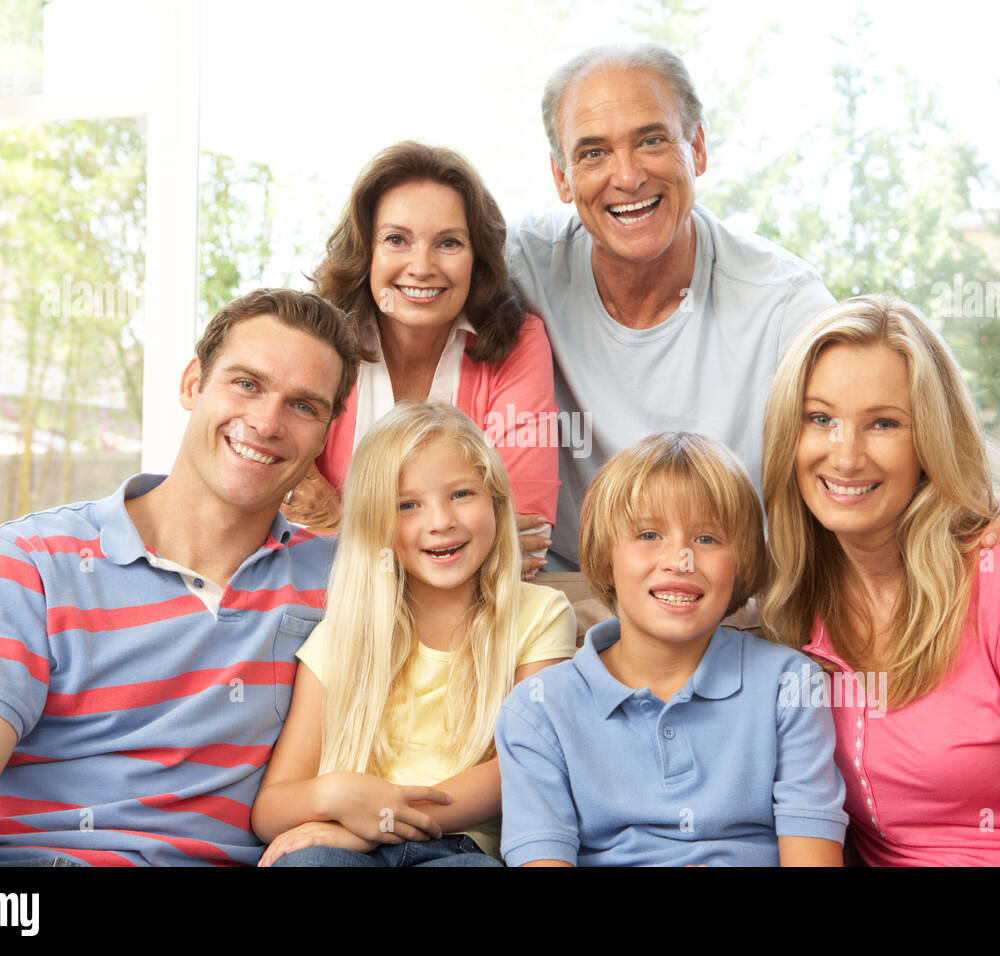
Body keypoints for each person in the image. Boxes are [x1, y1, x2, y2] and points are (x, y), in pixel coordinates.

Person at [506, 43, 1000, 578]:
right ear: (561, 176)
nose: (627, 176)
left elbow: (882, 430)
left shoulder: (779, 301)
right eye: (594, 152)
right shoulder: (520, 265)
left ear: (697, 149)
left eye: (653, 140)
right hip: (564, 606)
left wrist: (986, 513)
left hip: (727, 610)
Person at [0, 289, 361, 866]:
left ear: (324, 435)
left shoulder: (347, 580)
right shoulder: (29, 561)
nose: (265, 422)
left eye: (304, 406)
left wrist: (362, 830)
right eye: (247, 384)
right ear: (193, 384)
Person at [759, 294, 1000, 866]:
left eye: (884, 423)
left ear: (929, 443)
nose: (846, 454)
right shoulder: (795, 606)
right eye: (820, 419)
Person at [494, 432, 846, 866]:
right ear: (606, 559)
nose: (680, 560)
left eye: (707, 539)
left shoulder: (789, 685)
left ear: (742, 565)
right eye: (648, 534)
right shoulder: (538, 709)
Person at [252, 402, 576, 866]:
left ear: (496, 501)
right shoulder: (342, 636)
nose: (441, 520)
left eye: (462, 493)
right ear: (374, 525)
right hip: (341, 837)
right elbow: (271, 810)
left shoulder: (538, 614)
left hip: (458, 846)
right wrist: (339, 796)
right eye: (407, 505)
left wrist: (384, 821)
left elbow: (525, 766)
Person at [282, 141, 560, 580]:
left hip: (474, 628)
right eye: (397, 240)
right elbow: (274, 503)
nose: (421, 266)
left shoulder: (518, 341)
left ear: (477, 258)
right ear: (365, 250)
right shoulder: (317, 342)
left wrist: (338, 522)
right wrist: (459, 547)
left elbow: (524, 539)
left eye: (448, 243)